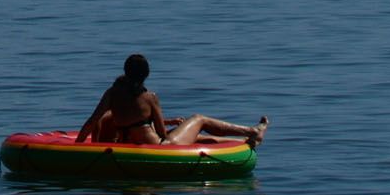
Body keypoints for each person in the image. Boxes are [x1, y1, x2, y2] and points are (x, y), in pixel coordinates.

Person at [76, 54, 267, 147]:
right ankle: (252, 131)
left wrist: (77, 146)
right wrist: (169, 126)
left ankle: (243, 141)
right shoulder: (149, 97)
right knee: (199, 119)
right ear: (145, 76)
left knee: (196, 138)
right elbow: (161, 133)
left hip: (132, 145)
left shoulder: (112, 93)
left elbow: (91, 122)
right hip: (160, 147)